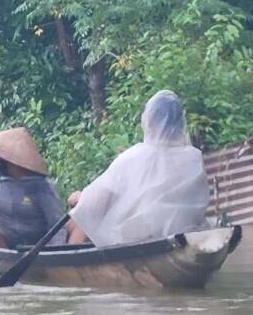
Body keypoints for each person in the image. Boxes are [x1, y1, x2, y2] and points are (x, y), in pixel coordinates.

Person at [67, 90, 210, 247]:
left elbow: (93, 204)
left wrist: (80, 198)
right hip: (185, 236)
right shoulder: (193, 159)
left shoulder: (134, 157)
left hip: (138, 241)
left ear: (148, 122)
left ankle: (68, 265)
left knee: (80, 222)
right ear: (180, 123)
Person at [0, 127, 66, 248]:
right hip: (4, 243)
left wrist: (55, 253)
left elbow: (57, 226)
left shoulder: (41, 185)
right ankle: (6, 257)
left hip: (36, 247)